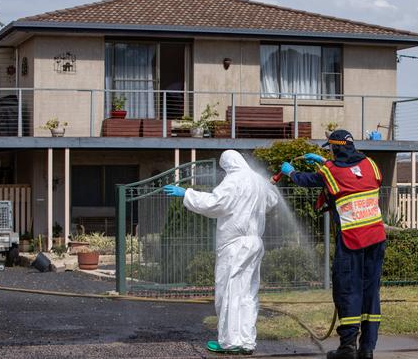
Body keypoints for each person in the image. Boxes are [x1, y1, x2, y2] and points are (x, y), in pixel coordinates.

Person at [280, 130, 385, 359]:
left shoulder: (331, 171)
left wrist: (290, 172)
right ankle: (367, 349)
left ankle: (347, 348)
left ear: (336, 147)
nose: (328, 152)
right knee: (370, 292)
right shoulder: (371, 164)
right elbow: (354, 175)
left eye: (330, 149)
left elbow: (307, 180)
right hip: (376, 240)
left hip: (352, 241)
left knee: (348, 291)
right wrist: (325, 162)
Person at [164, 150, 279, 354]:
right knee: (248, 293)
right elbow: (272, 201)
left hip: (234, 245)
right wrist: (268, 184)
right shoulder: (257, 180)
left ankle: (229, 341)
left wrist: (187, 194)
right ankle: (247, 341)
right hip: (254, 243)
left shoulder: (233, 180)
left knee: (229, 292)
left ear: (227, 164)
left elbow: (216, 203)